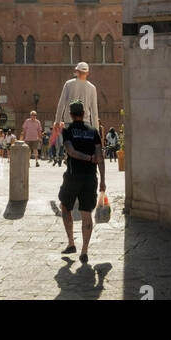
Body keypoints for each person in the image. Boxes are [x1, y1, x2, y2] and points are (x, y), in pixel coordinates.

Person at [58, 101, 106, 263]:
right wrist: (103, 180)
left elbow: (70, 152)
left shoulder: (68, 130)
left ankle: (71, 242)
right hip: (91, 178)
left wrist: (87, 158)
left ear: (71, 114)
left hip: (73, 176)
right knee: (87, 213)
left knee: (65, 207)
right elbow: (100, 157)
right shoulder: (93, 131)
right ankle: (84, 250)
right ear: (84, 113)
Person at [54, 61, 99, 131]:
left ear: (77, 71)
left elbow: (61, 104)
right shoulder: (92, 87)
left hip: (69, 121)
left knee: (70, 141)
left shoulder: (68, 84)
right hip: (85, 122)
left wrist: (57, 121)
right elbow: (94, 110)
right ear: (87, 73)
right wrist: (96, 129)